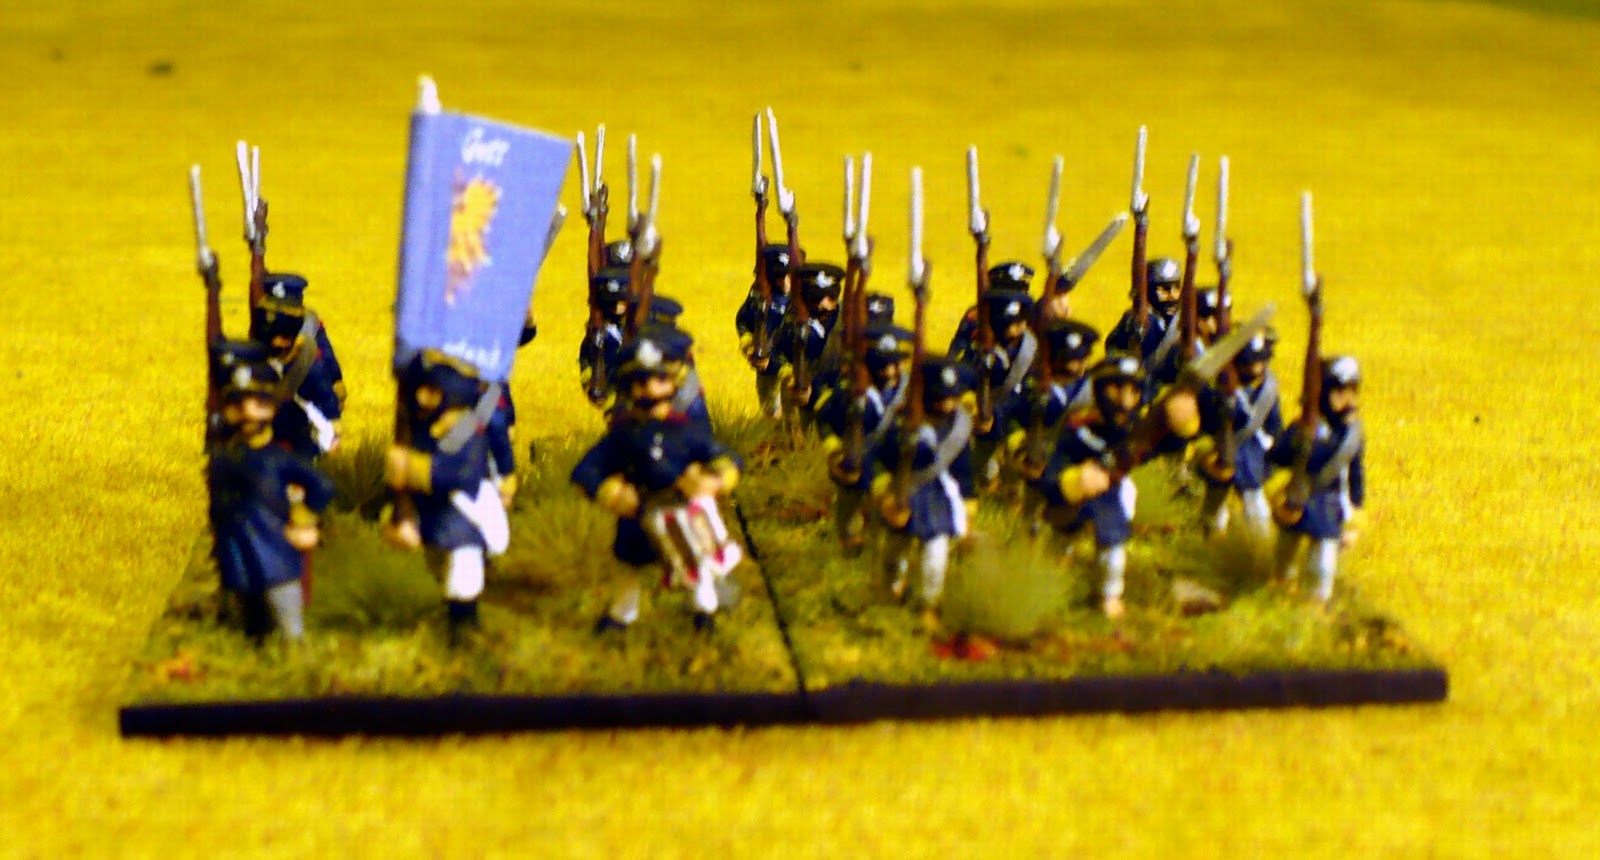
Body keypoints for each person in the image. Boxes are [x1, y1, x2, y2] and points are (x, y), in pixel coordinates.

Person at [572, 336, 744, 633]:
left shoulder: (687, 431)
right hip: (638, 512)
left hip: (682, 509)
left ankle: (704, 611)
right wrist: (609, 492)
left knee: (696, 561)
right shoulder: (622, 435)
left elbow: (724, 456)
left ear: (672, 383)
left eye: (659, 379)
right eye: (641, 381)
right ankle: (621, 614)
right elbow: (586, 469)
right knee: (629, 566)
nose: (650, 388)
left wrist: (715, 479)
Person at [1040, 352, 1199, 617]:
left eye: (1133, 391)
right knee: (1059, 539)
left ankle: (1109, 594)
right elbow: (1053, 464)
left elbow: (1166, 445)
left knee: (1113, 545)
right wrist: (1069, 482)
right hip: (1075, 494)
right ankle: (1051, 578)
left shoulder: (1138, 431)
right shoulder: (1078, 426)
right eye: (1116, 389)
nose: (1125, 401)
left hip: (1109, 494)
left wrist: (1180, 421)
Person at [384, 350, 512, 643]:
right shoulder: (429, 428)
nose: (422, 399)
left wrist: (412, 468)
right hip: (437, 514)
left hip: (461, 518)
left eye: (432, 392)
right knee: (442, 568)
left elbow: (462, 474)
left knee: (464, 572)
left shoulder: (467, 433)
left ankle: (464, 627)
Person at [207, 357, 334, 643]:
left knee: (288, 625)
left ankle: (293, 656)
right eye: (238, 405)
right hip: (237, 553)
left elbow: (322, 485)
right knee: (249, 626)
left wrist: (303, 517)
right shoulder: (225, 459)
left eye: (257, 403)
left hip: (275, 551)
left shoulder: (278, 459)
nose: (247, 413)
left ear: (271, 408)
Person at [873, 357, 979, 613]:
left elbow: (962, 468)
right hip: (904, 490)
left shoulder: (959, 426)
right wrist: (884, 484)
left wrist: (967, 502)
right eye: (940, 397)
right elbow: (880, 454)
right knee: (895, 547)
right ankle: (890, 588)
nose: (946, 404)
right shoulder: (901, 419)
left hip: (937, 496)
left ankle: (929, 600)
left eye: (951, 397)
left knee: (936, 549)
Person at [1269, 356, 1365, 605]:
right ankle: (1277, 598)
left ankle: (1315, 607)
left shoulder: (1352, 434)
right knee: (1284, 561)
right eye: (1340, 392)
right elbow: (1277, 456)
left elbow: (1355, 475)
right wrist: (1297, 442)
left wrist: (1356, 514)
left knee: (1322, 567)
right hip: (1296, 501)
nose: (1347, 399)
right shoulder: (1303, 426)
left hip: (1329, 506)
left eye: (1352, 391)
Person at [817, 324, 911, 554]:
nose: (889, 371)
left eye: (893, 363)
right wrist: (834, 447)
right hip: (856, 461)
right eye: (882, 364)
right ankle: (848, 541)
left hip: (890, 464)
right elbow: (825, 418)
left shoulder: (911, 391)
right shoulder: (850, 390)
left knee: (886, 515)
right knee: (848, 508)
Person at [1194, 329, 1282, 537]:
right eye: (1249, 363)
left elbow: (1274, 423)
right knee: (1214, 507)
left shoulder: (1268, 389)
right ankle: (1207, 537)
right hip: (1221, 452)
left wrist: (1274, 444)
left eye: (1260, 362)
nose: (1256, 368)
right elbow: (1205, 420)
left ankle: (1257, 545)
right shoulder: (1216, 386)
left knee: (1256, 510)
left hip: (1251, 456)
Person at [249, 272, 344, 458]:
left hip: (301, 419)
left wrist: (335, 381)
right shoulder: (261, 349)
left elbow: (325, 361)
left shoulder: (309, 357)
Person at [735, 244, 797, 418]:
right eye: (779, 276)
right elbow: (743, 319)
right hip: (767, 364)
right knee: (769, 409)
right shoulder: (761, 296)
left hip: (792, 366)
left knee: (792, 413)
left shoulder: (803, 299)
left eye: (788, 276)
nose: (785, 282)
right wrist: (748, 342)